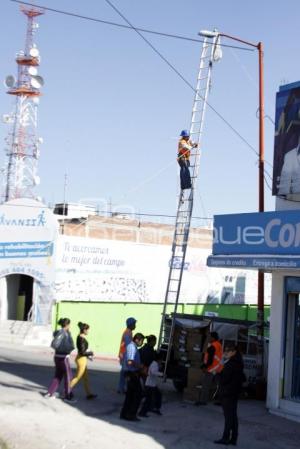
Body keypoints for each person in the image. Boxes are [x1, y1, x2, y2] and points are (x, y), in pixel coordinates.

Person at [214, 345, 245, 446]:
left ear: (234, 352)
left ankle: (226, 438)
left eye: (228, 351)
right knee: (233, 416)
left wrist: (217, 374)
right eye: (225, 351)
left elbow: (223, 380)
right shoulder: (239, 363)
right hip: (234, 393)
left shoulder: (231, 364)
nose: (225, 353)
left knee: (228, 417)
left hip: (228, 393)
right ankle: (234, 438)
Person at [45, 317, 75, 402]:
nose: (70, 326)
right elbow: (56, 344)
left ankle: (50, 393)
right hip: (63, 357)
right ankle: (67, 396)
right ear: (67, 324)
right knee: (68, 377)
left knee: (58, 376)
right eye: (69, 324)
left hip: (57, 357)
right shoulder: (64, 333)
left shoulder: (58, 332)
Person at [120, 333, 145, 421]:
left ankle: (125, 414)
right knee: (137, 394)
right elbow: (130, 361)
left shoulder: (133, 347)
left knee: (130, 395)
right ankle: (131, 414)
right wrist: (139, 366)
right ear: (137, 340)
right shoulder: (132, 347)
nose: (142, 343)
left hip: (132, 373)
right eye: (141, 341)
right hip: (131, 373)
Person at [69, 322, 97, 400]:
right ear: (84, 330)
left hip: (82, 359)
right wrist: (91, 353)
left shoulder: (80, 337)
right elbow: (82, 352)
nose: (88, 331)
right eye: (87, 330)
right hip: (81, 359)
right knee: (78, 377)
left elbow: (82, 351)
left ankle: (89, 394)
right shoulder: (81, 339)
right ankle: (67, 390)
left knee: (85, 378)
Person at [198, 331, 223, 405]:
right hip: (218, 369)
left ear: (213, 338)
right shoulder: (219, 345)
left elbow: (210, 360)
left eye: (210, 337)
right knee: (217, 386)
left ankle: (203, 401)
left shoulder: (212, 346)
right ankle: (218, 400)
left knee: (205, 385)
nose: (208, 339)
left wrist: (204, 366)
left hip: (211, 369)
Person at [139, 351, 163, 417]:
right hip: (150, 385)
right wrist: (161, 374)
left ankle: (154, 408)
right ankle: (142, 412)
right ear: (159, 359)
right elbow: (153, 372)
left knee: (157, 395)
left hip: (152, 385)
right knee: (148, 399)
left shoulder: (155, 364)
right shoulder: (154, 364)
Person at [118, 317, 137, 393]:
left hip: (124, 354)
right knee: (126, 372)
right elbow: (128, 344)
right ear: (130, 324)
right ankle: (124, 388)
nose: (135, 325)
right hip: (125, 354)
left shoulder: (128, 332)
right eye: (134, 324)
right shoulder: (128, 332)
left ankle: (121, 388)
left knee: (124, 372)